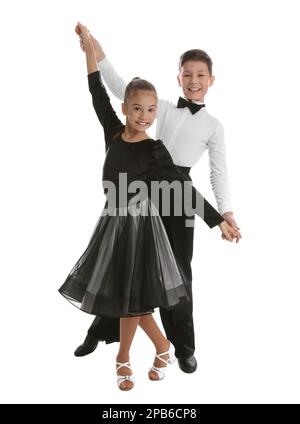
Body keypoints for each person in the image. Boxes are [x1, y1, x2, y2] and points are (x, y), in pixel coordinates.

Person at [71, 23, 242, 377]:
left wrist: (222, 215)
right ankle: (102, 333)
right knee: (123, 270)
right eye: (187, 74)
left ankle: (182, 348)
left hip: (177, 192)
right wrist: (95, 52)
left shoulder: (212, 126)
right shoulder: (157, 107)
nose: (194, 80)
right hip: (138, 194)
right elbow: (118, 90)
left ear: (211, 79)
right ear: (178, 78)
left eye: (201, 75)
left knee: (176, 275)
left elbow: (214, 174)